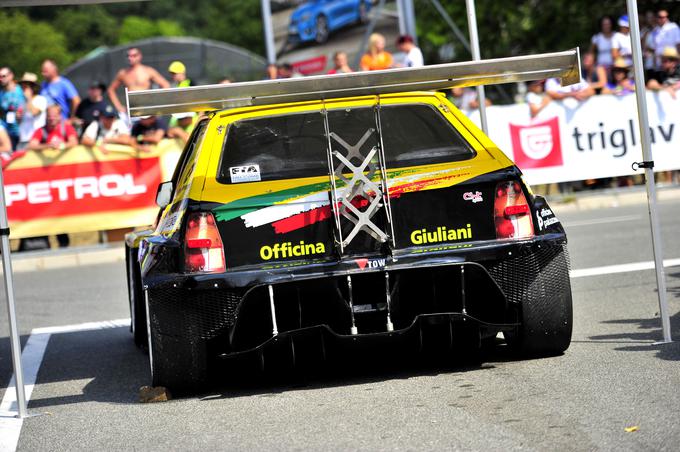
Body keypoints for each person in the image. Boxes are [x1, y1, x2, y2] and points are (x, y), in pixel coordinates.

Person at [108, 47, 170, 115]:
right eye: (128, 56)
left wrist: (158, 103)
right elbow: (111, 90)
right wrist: (118, 107)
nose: (130, 58)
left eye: (134, 56)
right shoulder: (123, 73)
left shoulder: (148, 71)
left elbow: (165, 85)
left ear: (140, 56)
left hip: (147, 109)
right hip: (131, 110)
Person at [17, 72, 47, 150]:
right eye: (22, 87)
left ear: (32, 87)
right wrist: (18, 117)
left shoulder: (41, 99)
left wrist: (29, 98)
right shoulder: (22, 102)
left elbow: (34, 113)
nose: (23, 89)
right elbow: (19, 121)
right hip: (23, 139)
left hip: (36, 140)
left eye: (25, 87)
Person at [0, 66, 26, 149]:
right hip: (7, 133)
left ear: (11, 75)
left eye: (3, 76)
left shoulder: (21, 90)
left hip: (21, 133)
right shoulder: (1, 94)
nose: (1, 79)